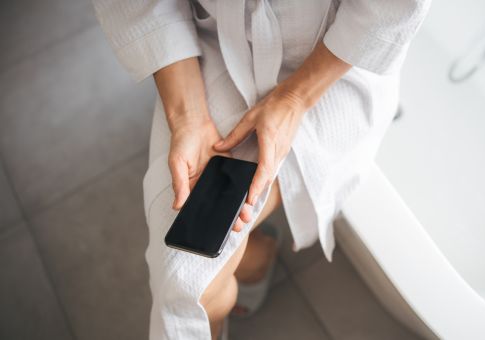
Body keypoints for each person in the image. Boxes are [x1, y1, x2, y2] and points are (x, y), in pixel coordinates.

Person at [92, 0, 430, 338]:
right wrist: (187, 116)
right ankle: (253, 258)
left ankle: (253, 259)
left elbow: (392, 10)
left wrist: (294, 99)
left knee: (194, 277)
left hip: (334, 61)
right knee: (185, 283)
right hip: (215, 45)